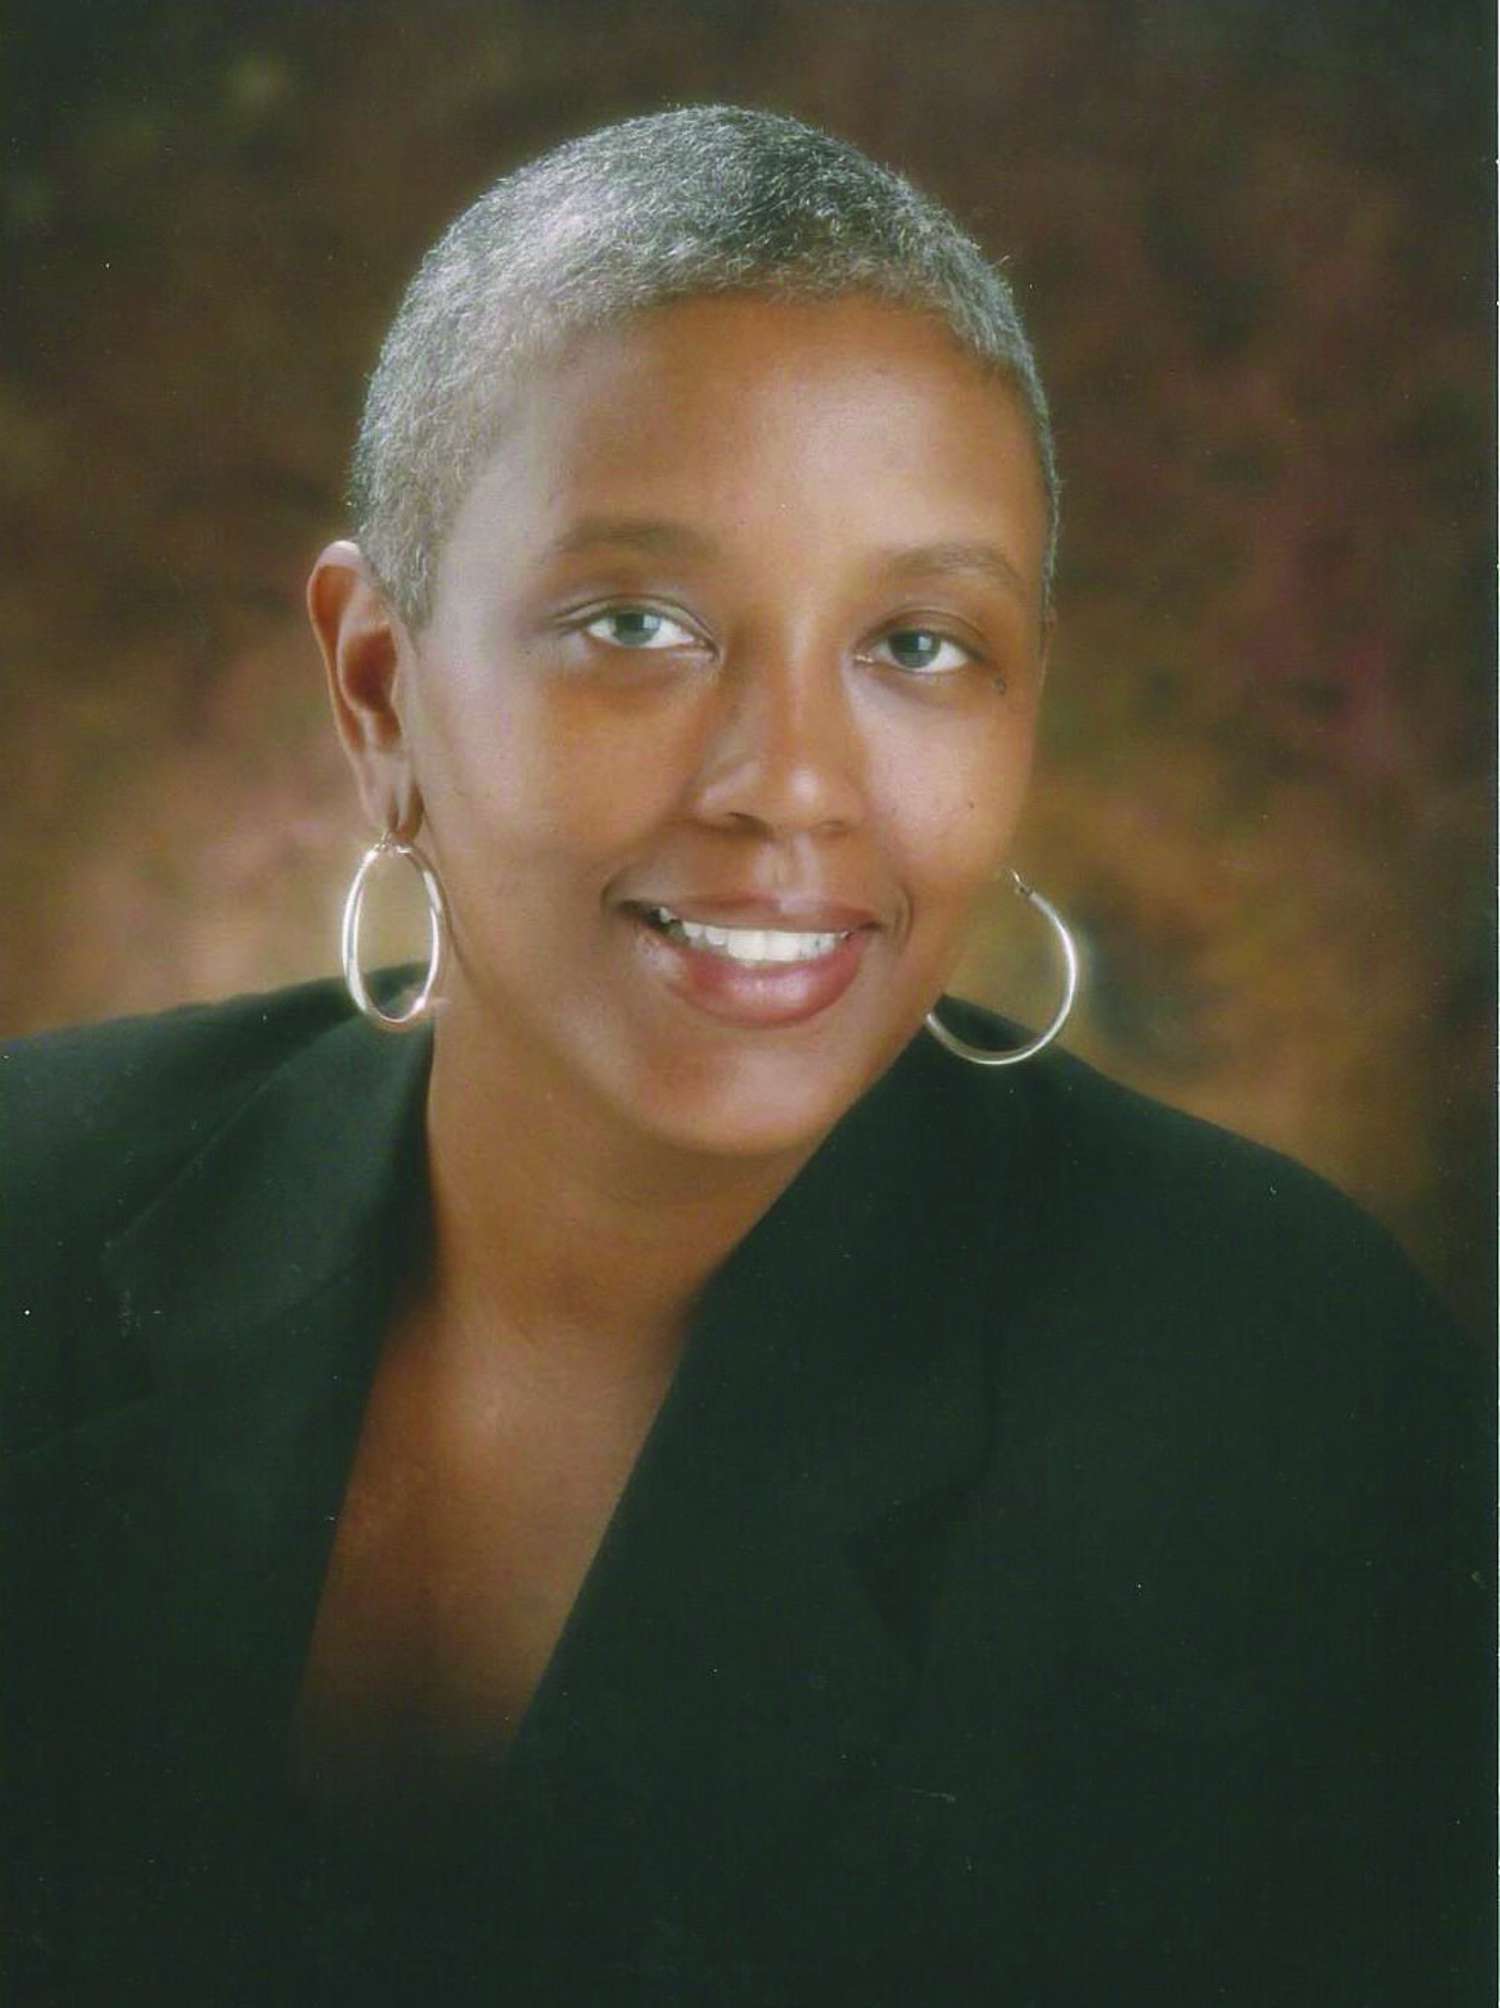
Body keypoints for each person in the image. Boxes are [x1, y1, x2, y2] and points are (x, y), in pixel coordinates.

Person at [1, 107, 1488, 2006]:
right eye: (637, 624)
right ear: (378, 687)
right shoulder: (34, 1203)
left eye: (920, 646)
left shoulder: (1288, 1400)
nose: (791, 784)